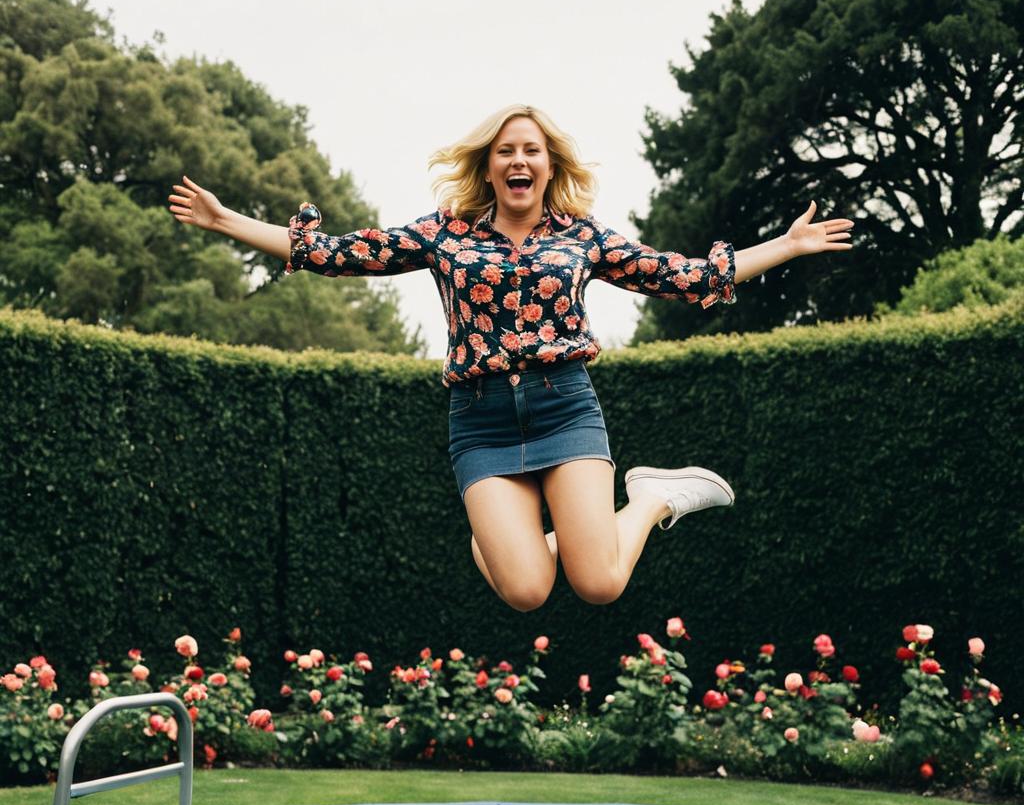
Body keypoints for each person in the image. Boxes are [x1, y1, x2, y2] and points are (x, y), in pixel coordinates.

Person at [168, 103, 854, 612]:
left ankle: (651, 499)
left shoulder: (584, 238)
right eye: (505, 151)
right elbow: (334, 253)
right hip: (483, 423)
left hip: (565, 410)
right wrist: (224, 219)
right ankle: (503, 538)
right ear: (488, 167)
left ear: (549, 165)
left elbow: (689, 278)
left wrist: (786, 246)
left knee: (600, 583)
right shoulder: (443, 236)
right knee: (526, 591)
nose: (518, 161)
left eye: (531, 150)